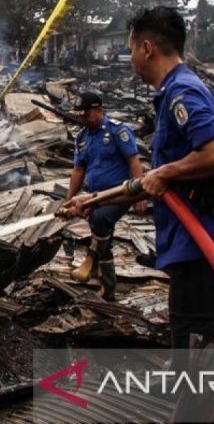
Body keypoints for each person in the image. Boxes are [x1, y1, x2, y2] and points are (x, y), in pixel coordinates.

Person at [128, 6, 214, 419]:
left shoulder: (181, 92)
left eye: (130, 48)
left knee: (201, 358)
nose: (130, 57)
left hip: (206, 249)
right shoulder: (179, 90)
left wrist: (166, 171)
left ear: (147, 48)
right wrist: (87, 202)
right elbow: (157, 182)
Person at [62, 91, 145, 301]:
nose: (83, 119)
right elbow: (78, 170)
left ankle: (90, 261)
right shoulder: (82, 137)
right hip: (95, 195)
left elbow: (134, 161)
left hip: (120, 193)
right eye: (80, 115)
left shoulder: (118, 131)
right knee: (102, 239)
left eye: (87, 115)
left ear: (99, 110)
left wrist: (140, 195)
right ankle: (108, 289)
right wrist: (69, 199)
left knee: (101, 220)